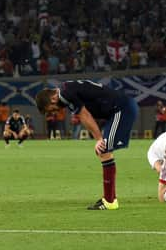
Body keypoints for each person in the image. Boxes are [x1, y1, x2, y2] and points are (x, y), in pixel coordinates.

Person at [35, 79, 139, 210]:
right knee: (103, 151)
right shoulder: (65, 89)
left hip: (121, 109)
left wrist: (99, 139)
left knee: (103, 150)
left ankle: (110, 201)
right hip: (118, 109)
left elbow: (85, 115)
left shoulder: (64, 95)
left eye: (51, 109)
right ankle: (110, 198)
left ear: (53, 99)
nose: (54, 112)